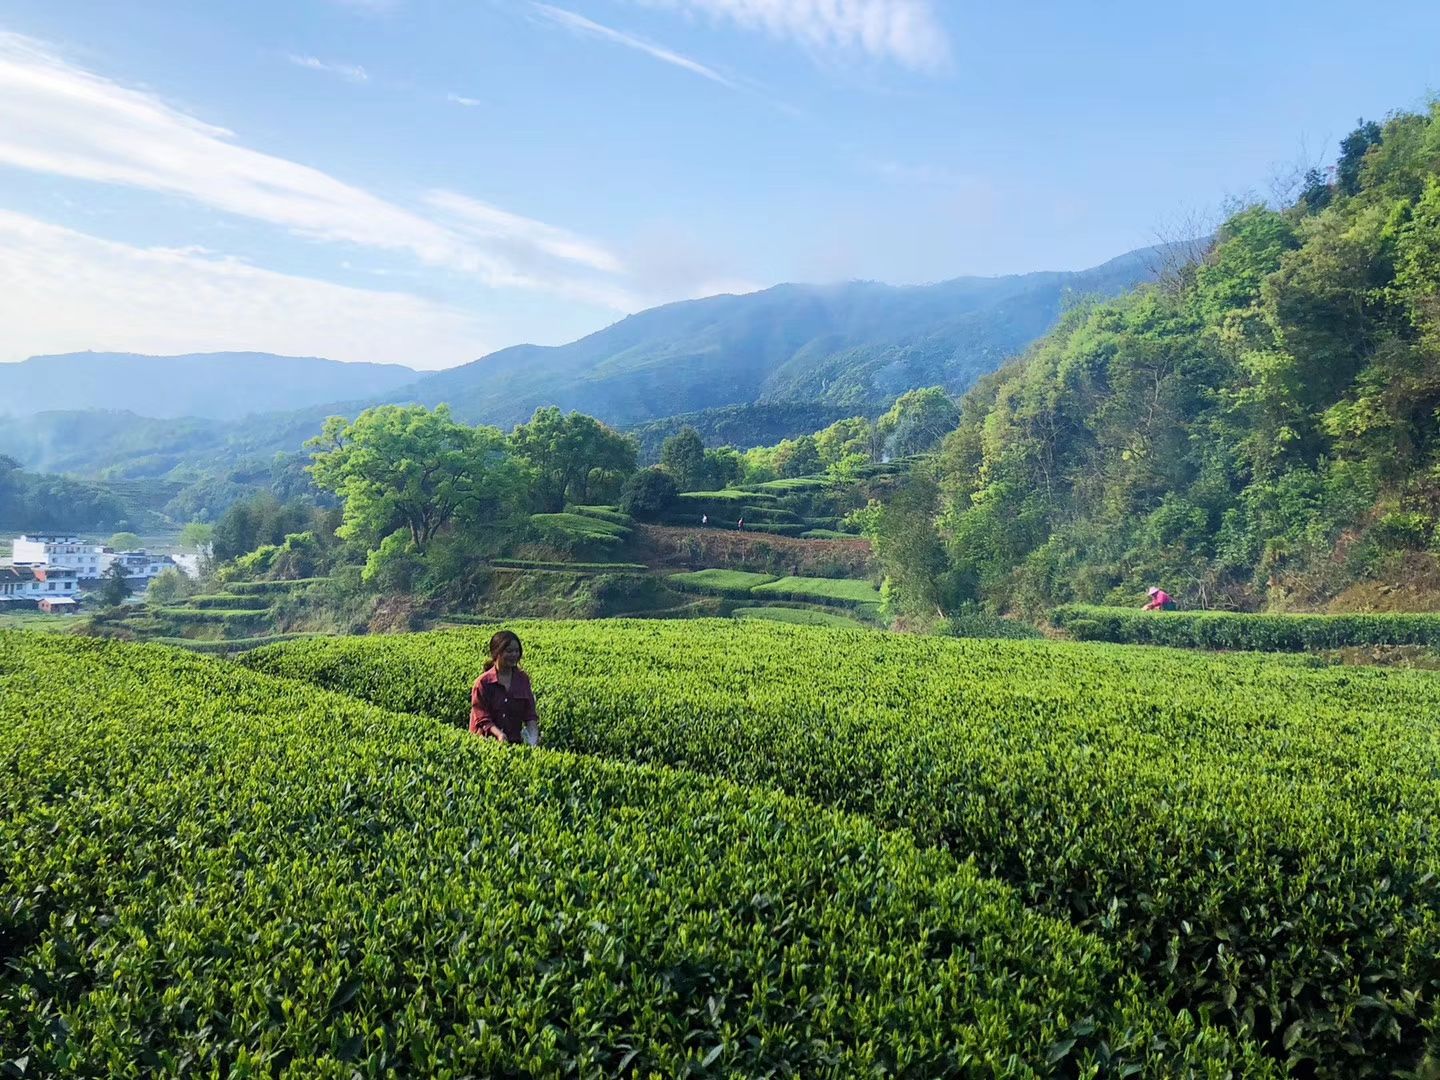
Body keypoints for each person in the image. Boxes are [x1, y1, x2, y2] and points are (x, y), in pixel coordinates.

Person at [470, 630, 540, 745]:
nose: (514, 655)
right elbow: (482, 718)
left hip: (514, 742)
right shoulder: (483, 683)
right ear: (497, 653)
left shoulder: (522, 680)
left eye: (517, 651)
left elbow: (530, 713)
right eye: (509, 651)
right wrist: (499, 734)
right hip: (485, 743)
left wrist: (533, 736)